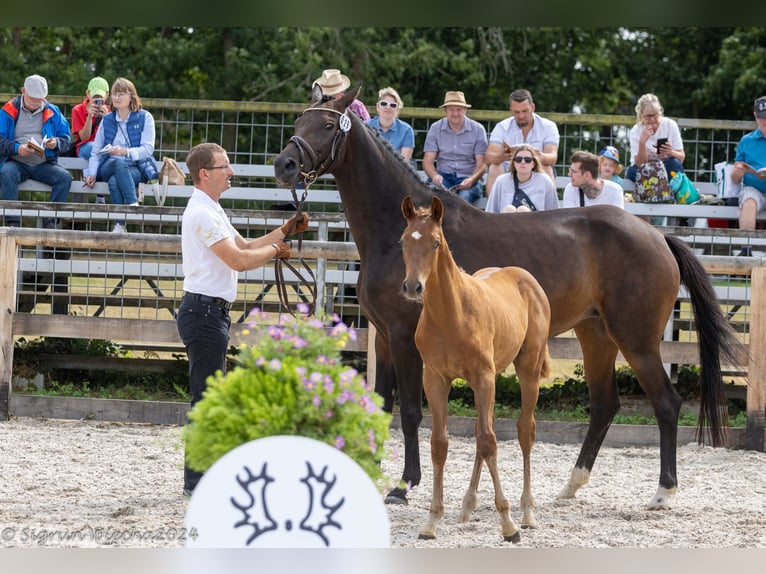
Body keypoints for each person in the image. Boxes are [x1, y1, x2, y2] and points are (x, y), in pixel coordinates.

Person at [176, 142, 308, 497]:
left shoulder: (212, 208)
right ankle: (197, 481)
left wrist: (284, 230)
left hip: (209, 311)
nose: (231, 172)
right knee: (206, 399)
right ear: (205, 173)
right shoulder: (202, 213)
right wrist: (276, 251)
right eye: (225, 167)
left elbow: (247, 247)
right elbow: (239, 261)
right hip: (204, 312)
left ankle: (202, 476)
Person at [83, 77, 155, 233]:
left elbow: (148, 149)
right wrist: (92, 173)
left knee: (115, 181)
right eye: (115, 94)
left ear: (132, 97)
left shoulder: (145, 117)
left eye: (121, 94)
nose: (116, 98)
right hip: (109, 165)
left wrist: (125, 152)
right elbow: (95, 151)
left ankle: (120, 224)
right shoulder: (107, 119)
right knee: (117, 163)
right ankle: (133, 203)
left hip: (136, 167)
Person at [0, 74, 72, 228]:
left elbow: (66, 140)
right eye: (32, 98)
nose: (36, 102)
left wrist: (56, 143)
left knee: (65, 178)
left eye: (40, 99)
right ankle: (12, 223)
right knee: (7, 172)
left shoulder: (54, 111)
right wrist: (17, 148)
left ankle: (51, 220)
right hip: (16, 162)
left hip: (44, 164)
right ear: (23, 91)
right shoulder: (8, 110)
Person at [484, 88, 560, 194]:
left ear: (532, 107)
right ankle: (494, 210)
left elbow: (552, 157)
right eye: (516, 112)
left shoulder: (548, 126)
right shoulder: (502, 127)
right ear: (511, 109)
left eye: (525, 111)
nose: (521, 116)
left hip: (535, 167)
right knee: (494, 167)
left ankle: (549, 210)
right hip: (509, 169)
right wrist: (502, 156)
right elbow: (489, 156)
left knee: (546, 167)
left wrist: (539, 156)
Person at [422, 90, 488, 205]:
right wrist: (435, 176)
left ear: (465, 110)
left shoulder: (478, 130)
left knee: (462, 201)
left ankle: (459, 224)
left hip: (468, 177)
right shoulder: (435, 128)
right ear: (445, 111)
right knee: (434, 199)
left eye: (459, 109)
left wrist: (472, 179)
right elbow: (427, 161)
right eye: (452, 109)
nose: (455, 113)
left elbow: (482, 164)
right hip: (443, 177)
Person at [625, 93, 685, 184]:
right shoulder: (636, 131)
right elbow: (639, 164)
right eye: (648, 116)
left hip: (666, 169)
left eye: (655, 115)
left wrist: (670, 152)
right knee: (631, 171)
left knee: (674, 163)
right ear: (641, 116)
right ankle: (656, 192)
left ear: (660, 112)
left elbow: (681, 157)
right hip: (648, 170)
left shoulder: (670, 125)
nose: (652, 119)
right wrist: (642, 142)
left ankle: (665, 192)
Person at [484, 143, 559, 213]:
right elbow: (491, 210)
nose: (523, 162)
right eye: (518, 159)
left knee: (523, 210)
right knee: (509, 209)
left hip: (535, 224)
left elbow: (553, 212)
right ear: (514, 162)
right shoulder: (501, 181)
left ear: (534, 163)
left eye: (527, 160)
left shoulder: (544, 180)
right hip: (506, 223)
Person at [731, 95, 766, 237]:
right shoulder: (746, 141)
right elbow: (735, 180)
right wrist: (737, 173)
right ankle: (746, 248)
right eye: (761, 117)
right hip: (754, 189)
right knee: (749, 200)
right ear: (755, 116)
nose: (765, 122)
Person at [366, 86, 415, 164]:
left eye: (393, 105)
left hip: (397, 171)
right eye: (384, 103)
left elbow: (404, 163)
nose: (388, 107)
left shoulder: (407, 130)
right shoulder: (366, 127)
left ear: (398, 109)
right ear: (377, 107)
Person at [70, 76, 110, 160]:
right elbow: (84, 138)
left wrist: (107, 117)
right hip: (85, 146)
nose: (97, 100)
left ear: (107, 95)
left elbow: (113, 137)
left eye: (100, 97)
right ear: (88, 93)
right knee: (94, 148)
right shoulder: (78, 110)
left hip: (105, 147)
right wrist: (89, 118)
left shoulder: (110, 112)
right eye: (95, 97)